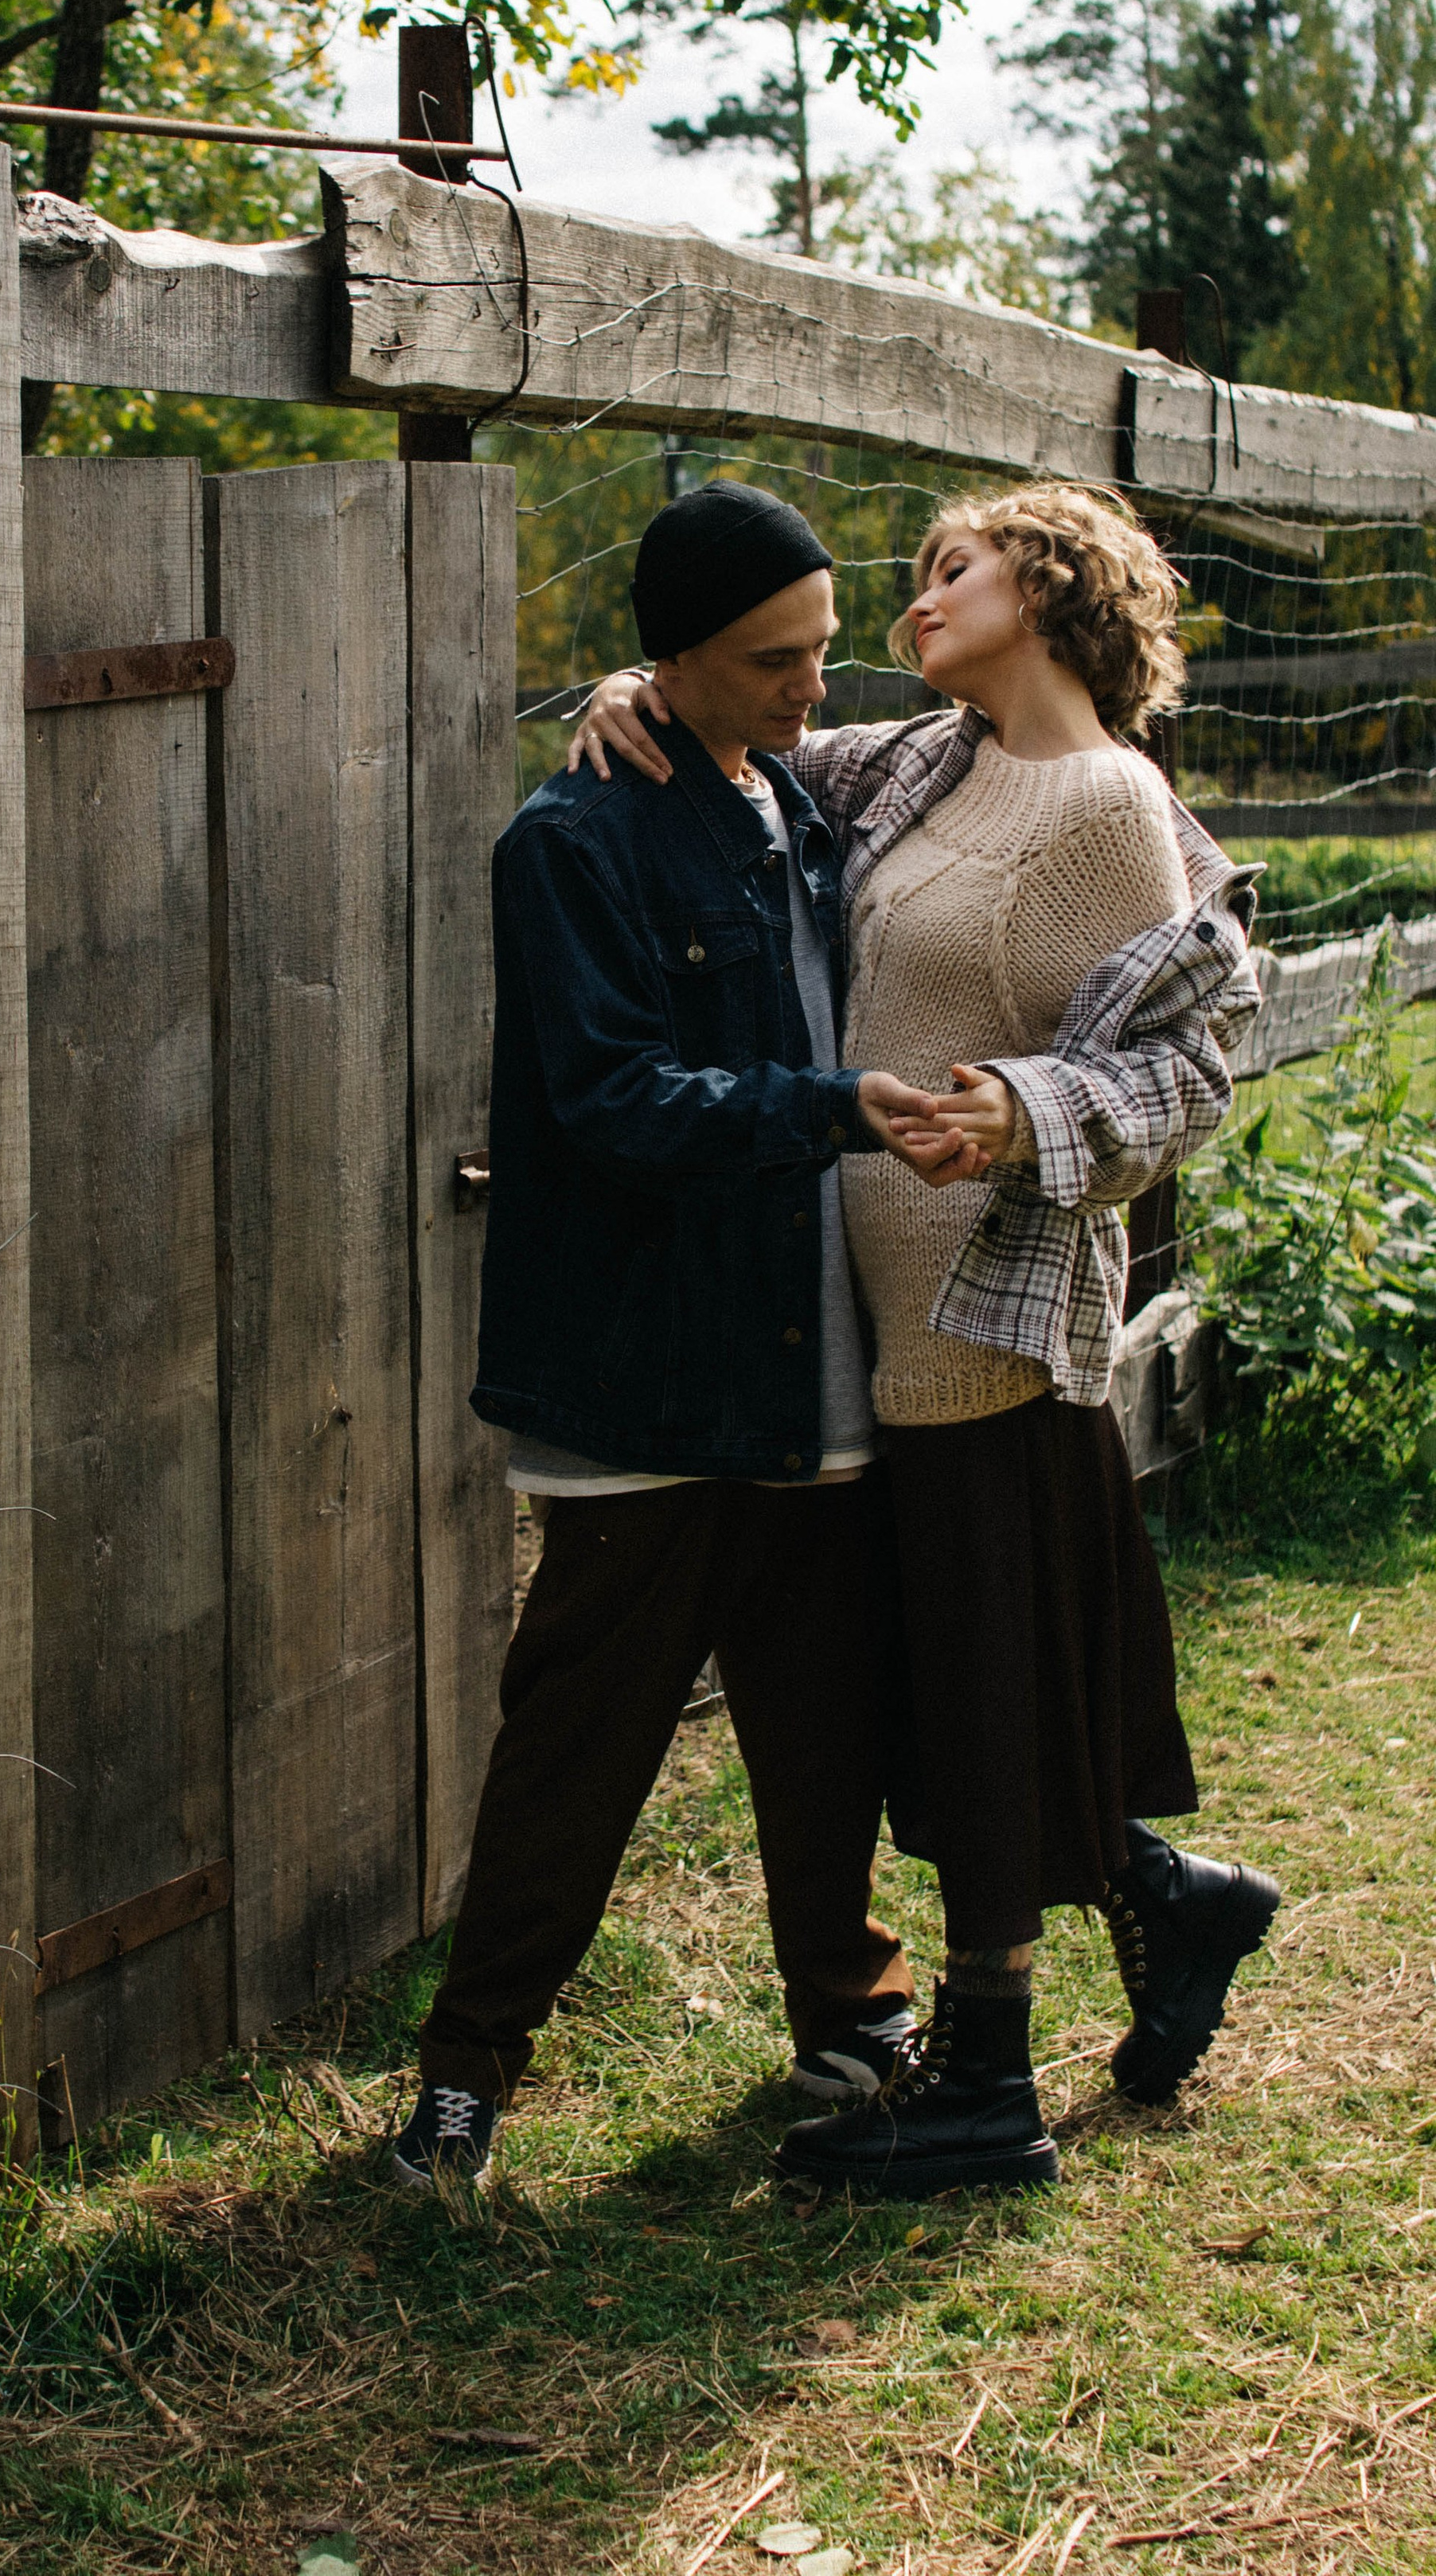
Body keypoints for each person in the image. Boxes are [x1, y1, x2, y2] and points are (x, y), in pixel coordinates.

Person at [570, 480, 1279, 2197]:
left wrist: (1020, 1112)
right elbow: (743, 754)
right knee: (958, 1678)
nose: (909, 609)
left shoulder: (1104, 804)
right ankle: (1163, 1905)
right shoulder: (918, 765)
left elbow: (1179, 1072)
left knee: (974, 1690)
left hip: (989, 1316)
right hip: (865, 1313)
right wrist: (635, 693)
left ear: (1044, 583)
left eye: (946, 569)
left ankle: (984, 2080)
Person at [389, 481, 979, 2194]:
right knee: (575, 1752)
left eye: (816, 650)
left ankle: (848, 2020)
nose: (812, 685)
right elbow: (612, 1100)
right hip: (648, 1383)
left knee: (822, 1732)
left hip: (807, 1371)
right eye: (768, 659)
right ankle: (461, 2079)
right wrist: (838, 1109)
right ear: (668, 661)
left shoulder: (802, 805)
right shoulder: (570, 842)